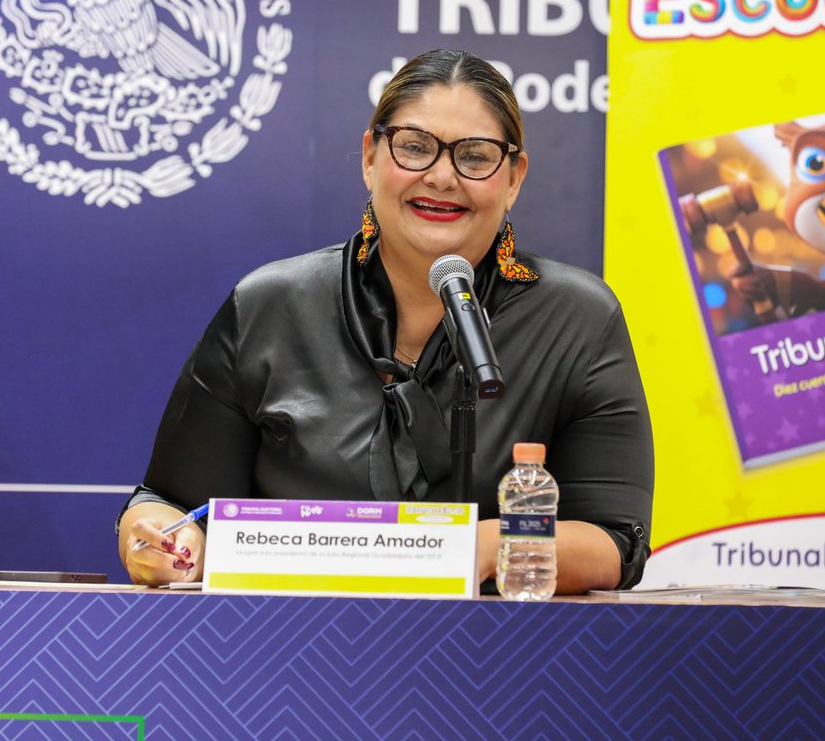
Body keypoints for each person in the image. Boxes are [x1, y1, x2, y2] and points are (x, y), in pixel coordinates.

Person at [116, 49, 654, 593]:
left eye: (474, 156)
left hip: (501, 660)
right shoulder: (267, 306)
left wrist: (482, 547)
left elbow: (615, 541)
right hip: (283, 652)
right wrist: (159, 542)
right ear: (371, 156)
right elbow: (170, 506)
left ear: (513, 178)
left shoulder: (577, 318)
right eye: (415, 148)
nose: (442, 177)